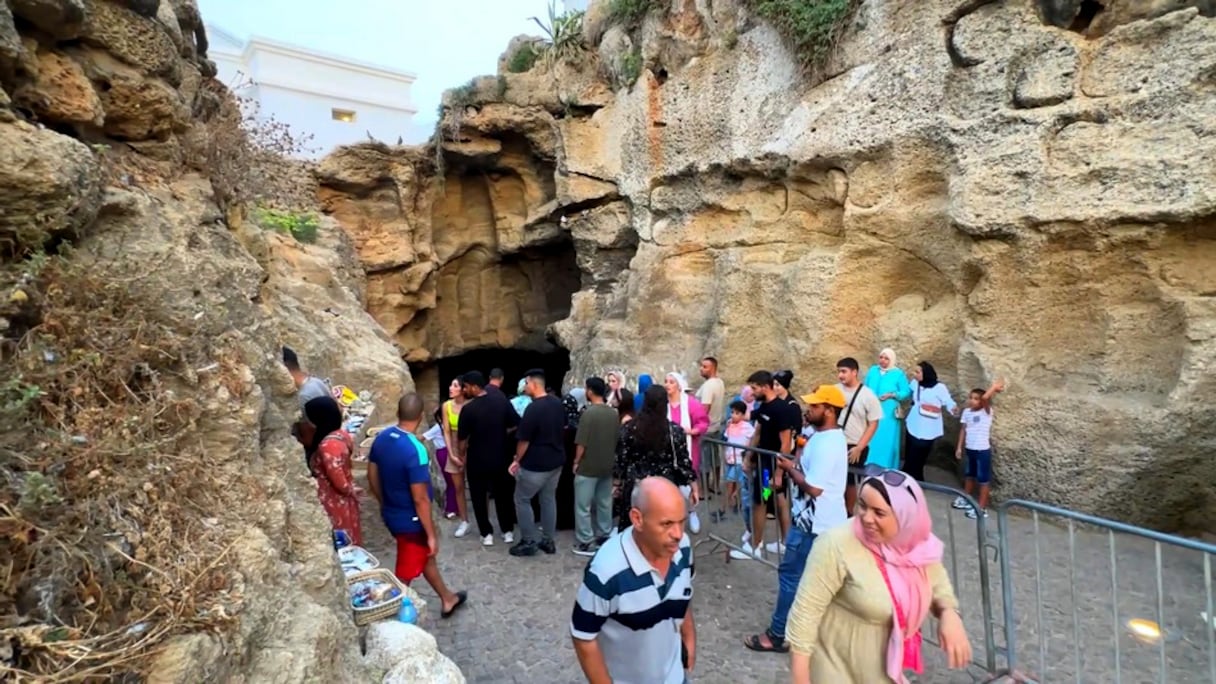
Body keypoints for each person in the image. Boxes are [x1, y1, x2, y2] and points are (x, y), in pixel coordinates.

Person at [785, 467, 971, 683]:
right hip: (835, 667)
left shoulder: (918, 546)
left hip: (883, 670)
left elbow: (937, 582)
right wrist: (801, 679)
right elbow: (805, 615)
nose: (866, 518)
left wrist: (949, 613)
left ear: (905, 517)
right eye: (862, 505)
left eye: (879, 513)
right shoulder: (836, 544)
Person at [744, 384, 848, 654]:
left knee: (791, 576)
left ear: (829, 410)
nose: (808, 410)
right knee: (807, 578)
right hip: (809, 519)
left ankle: (777, 634)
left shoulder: (828, 443)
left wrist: (789, 468)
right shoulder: (820, 436)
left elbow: (814, 488)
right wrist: (799, 452)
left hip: (813, 524)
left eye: (815, 406)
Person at [571, 477, 696, 684]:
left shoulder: (683, 547)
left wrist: (689, 637)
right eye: (666, 524)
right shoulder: (605, 571)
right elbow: (583, 636)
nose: (677, 533)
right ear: (637, 519)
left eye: (682, 521)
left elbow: (684, 593)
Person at [367, 393, 468, 618]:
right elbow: (420, 498)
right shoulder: (415, 449)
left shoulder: (382, 438)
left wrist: (383, 501)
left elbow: (371, 474)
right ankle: (390, 614)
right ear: (421, 416)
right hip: (411, 521)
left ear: (397, 413)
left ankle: (447, 598)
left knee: (425, 557)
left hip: (392, 513)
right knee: (405, 573)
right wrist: (431, 534)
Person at [731, 370, 800, 561]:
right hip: (764, 464)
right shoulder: (764, 407)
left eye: (754, 388)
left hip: (770, 467)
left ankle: (755, 546)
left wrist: (778, 474)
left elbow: (785, 443)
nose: (752, 392)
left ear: (764, 387)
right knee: (777, 498)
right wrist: (748, 457)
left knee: (760, 502)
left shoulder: (782, 409)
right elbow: (758, 433)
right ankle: (785, 541)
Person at [612, 385, 700, 533]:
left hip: (637, 486)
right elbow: (683, 462)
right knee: (662, 530)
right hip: (664, 486)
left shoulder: (629, 429)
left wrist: (616, 483)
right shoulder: (673, 431)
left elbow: (621, 459)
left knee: (634, 529)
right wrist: (694, 486)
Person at [456, 371, 519, 546]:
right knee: (503, 495)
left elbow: (462, 440)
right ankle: (507, 531)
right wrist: (502, 433)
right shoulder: (502, 401)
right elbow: (515, 423)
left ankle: (486, 533)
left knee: (478, 496)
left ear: (474, 387)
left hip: (477, 459)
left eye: (466, 386)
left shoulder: (468, 410)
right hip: (501, 456)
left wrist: (461, 456)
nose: (464, 390)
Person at [509, 368, 567, 557]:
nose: (524, 387)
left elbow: (524, 440)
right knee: (548, 499)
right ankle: (548, 540)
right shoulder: (557, 403)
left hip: (536, 465)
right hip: (556, 461)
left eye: (526, 383)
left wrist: (517, 460)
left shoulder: (533, 409)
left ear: (533, 384)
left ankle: (528, 541)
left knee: (522, 499)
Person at [304, 396, 361, 545]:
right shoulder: (340, 435)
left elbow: (339, 482)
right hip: (342, 500)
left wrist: (349, 489)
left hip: (335, 502)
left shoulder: (328, 446)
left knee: (342, 541)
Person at [573, 377, 619, 556]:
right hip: (607, 464)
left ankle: (586, 540)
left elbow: (581, 443)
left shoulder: (588, 414)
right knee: (604, 502)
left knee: (583, 506)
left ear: (590, 391)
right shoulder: (613, 413)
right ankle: (604, 534)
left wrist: (576, 461)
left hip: (588, 465)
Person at [952, 379, 1005, 519]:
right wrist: (959, 447)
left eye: (976, 399)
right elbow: (963, 429)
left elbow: (986, 398)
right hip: (970, 449)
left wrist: (994, 387)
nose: (972, 401)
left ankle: (982, 508)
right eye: (971, 397)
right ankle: (966, 498)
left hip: (982, 450)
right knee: (969, 475)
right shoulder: (966, 412)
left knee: (983, 479)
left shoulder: (986, 412)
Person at [664, 372, 709, 534]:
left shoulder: (691, 403)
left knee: (689, 481)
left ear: (679, 385)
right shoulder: (663, 404)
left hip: (688, 449)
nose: (667, 385)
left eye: (671, 382)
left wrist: (692, 431)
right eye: (666, 381)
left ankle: (692, 512)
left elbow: (703, 422)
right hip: (667, 450)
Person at [837, 357, 883, 516]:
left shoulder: (868, 395)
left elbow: (873, 423)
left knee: (851, 482)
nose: (840, 375)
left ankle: (848, 513)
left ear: (854, 372)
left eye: (844, 371)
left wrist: (860, 447)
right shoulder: (835, 390)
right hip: (836, 441)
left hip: (854, 444)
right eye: (839, 371)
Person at [904, 361, 959, 482]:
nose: (915, 374)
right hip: (913, 423)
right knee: (909, 455)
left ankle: (917, 480)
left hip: (928, 428)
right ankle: (906, 478)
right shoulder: (915, 383)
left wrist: (953, 409)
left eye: (918, 372)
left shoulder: (939, 388)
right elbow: (907, 391)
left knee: (919, 457)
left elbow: (948, 401)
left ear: (926, 373)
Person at [863, 349, 912, 471]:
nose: (883, 360)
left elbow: (906, 392)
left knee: (886, 438)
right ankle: (868, 459)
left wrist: (892, 395)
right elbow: (865, 386)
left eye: (886, 358)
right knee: (870, 434)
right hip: (871, 408)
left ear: (891, 360)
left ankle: (885, 464)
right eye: (881, 357)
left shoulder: (898, 374)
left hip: (888, 411)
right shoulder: (873, 370)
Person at [715, 400, 754, 523]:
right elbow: (725, 438)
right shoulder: (730, 425)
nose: (733, 415)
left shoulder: (747, 427)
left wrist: (747, 453)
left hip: (739, 459)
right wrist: (727, 427)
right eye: (732, 412)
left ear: (743, 415)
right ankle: (734, 502)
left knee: (731, 483)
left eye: (737, 413)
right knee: (733, 483)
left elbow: (752, 439)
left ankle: (723, 508)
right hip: (729, 458)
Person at [439, 379, 469, 534]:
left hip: (470, 445)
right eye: (451, 385)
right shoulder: (446, 406)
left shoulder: (471, 405)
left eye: (455, 385)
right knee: (458, 487)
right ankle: (464, 521)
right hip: (454, 445)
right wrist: (451, 454)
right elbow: (446, 431)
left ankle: (483, 520)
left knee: (479, 486)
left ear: (463, 389)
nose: (451, 388)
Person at [696, 357, 726, 501]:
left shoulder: (709, 385)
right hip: (715, 426)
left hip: (706, 429)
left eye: (705, 367)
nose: (701, 369)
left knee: (704, 460)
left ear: (713, 368)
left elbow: (705, 407)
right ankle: (716, 485)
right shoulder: (719, 382)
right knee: (715, 457)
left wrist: (697, 424)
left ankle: (703, 490)